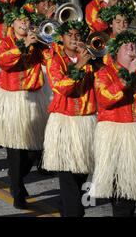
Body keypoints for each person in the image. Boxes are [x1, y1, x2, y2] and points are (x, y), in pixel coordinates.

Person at [90, 30, 136, 217]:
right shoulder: (104, 73)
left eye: (133, 45)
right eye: (126, 46)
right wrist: (127, 76)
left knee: (132, 188)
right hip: (115, 134)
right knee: (120, 187)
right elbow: (105, 99)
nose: (131, 48)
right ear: (117, 52)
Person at [0, 7, 50, 209]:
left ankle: (16, 177)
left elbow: (50, 59)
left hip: (33, 97)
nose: (24, 24)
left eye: (27, 20)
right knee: (15, 150)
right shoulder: (6, 42)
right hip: (12, 100)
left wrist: (46, 43)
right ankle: (17, 190)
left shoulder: (36, 41)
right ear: (12, 24)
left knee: (34, 150)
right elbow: (4, 62)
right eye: (20, 20)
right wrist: (24, 45)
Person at [42, 19, 98, 217]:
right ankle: (73, 211)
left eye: (78, 35)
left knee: (82, 173)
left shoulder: (92, 58)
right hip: (64, 121)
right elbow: (62, 87)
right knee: (67, 173)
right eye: (70, 36)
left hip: (86, 120)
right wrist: (81, 65)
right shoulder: (54, 59)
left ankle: (65, 205)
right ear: (61, 38)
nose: (74, 39)